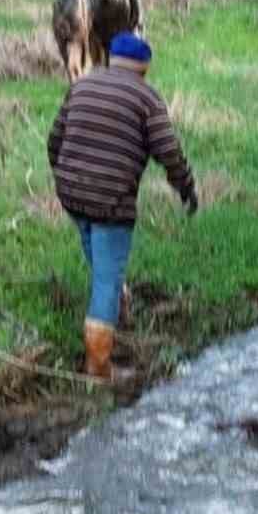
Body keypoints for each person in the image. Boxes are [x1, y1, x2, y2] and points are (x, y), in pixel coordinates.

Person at [47, 29, 197, 384]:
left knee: (99, 256)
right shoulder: (147, 99)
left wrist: (67, 177)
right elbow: (169, 153)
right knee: (106, 279)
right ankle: (99, 369)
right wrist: (186, 188)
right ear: (144, 68)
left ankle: (118, 306)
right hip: (111, 200)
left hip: (70, 193)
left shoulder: (82, 86)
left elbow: (54, 140)